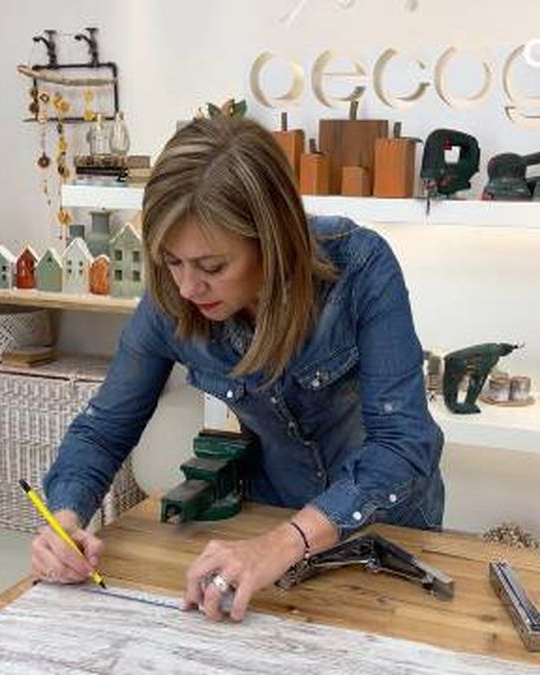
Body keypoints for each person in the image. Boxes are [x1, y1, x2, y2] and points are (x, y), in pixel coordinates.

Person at [29, 117, 444, 622]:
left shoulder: (359, 267)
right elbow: (104, 429)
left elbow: (403, 444)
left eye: (211, 267)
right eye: (171, 261)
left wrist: (282, 543)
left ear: (272, 241)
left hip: (388, 532)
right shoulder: (170, 302)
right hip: (272, 525)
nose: (186, 288)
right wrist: (66, 518)